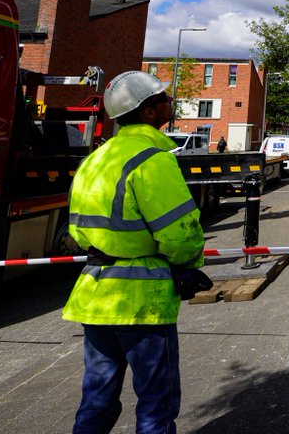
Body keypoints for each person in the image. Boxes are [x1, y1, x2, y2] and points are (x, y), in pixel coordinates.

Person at [64, 70, 206, 434]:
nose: (170, 102)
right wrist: (187, 266)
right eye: (163, 97)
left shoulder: (95, 160)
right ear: (147, 112)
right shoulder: (153, 160)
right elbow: (180, 232)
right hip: (142, 303)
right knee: (156, 405)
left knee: (96, 398)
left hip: (96, 297)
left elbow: (78, 231)